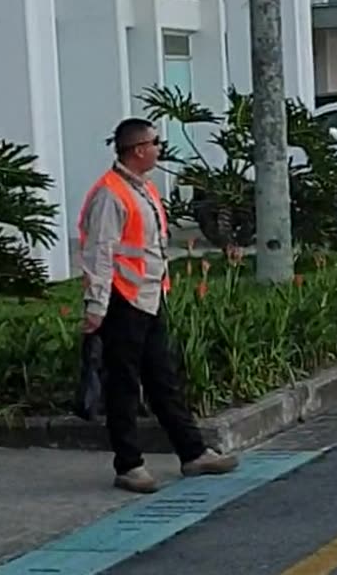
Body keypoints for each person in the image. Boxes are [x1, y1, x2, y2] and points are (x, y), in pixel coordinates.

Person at [79, 118, 238, 493]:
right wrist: (96, 305)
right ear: (138, 150)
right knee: (123, 384)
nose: (159, 148)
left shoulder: (142, 188)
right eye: (154, 142)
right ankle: (129, 465)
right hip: (122, 299)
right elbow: (99, 252)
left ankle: (193, 453)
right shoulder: (110, 193)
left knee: (163, 379)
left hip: (149, 297)